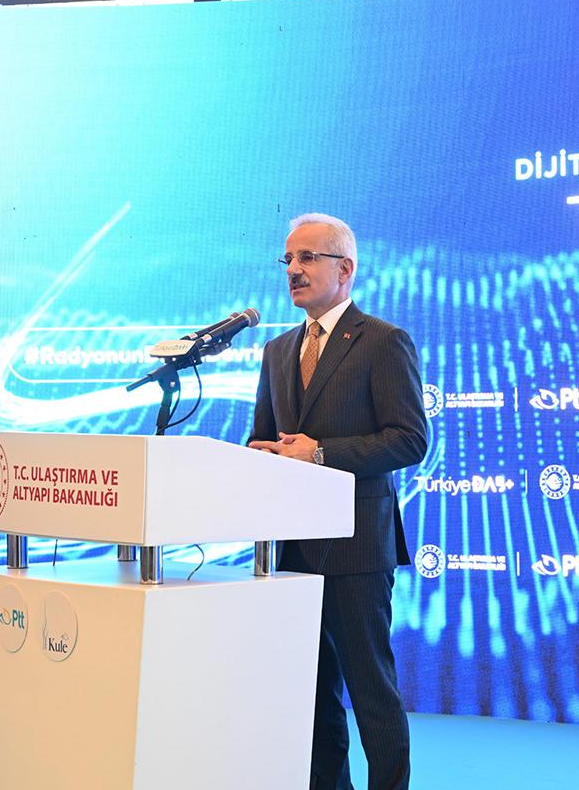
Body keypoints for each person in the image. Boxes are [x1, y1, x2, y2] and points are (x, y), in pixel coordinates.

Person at [248, 213, 427, 790]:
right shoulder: (278, 350)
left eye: (307, 257)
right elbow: (265, 438)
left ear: (344, 268)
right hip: (293, 549)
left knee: (371, 692)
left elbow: (409, 439)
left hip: (356, 547)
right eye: (288, 259)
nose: (293, 270)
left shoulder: (382, 341)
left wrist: (320, 453)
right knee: (313, 693)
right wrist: (259, 455)